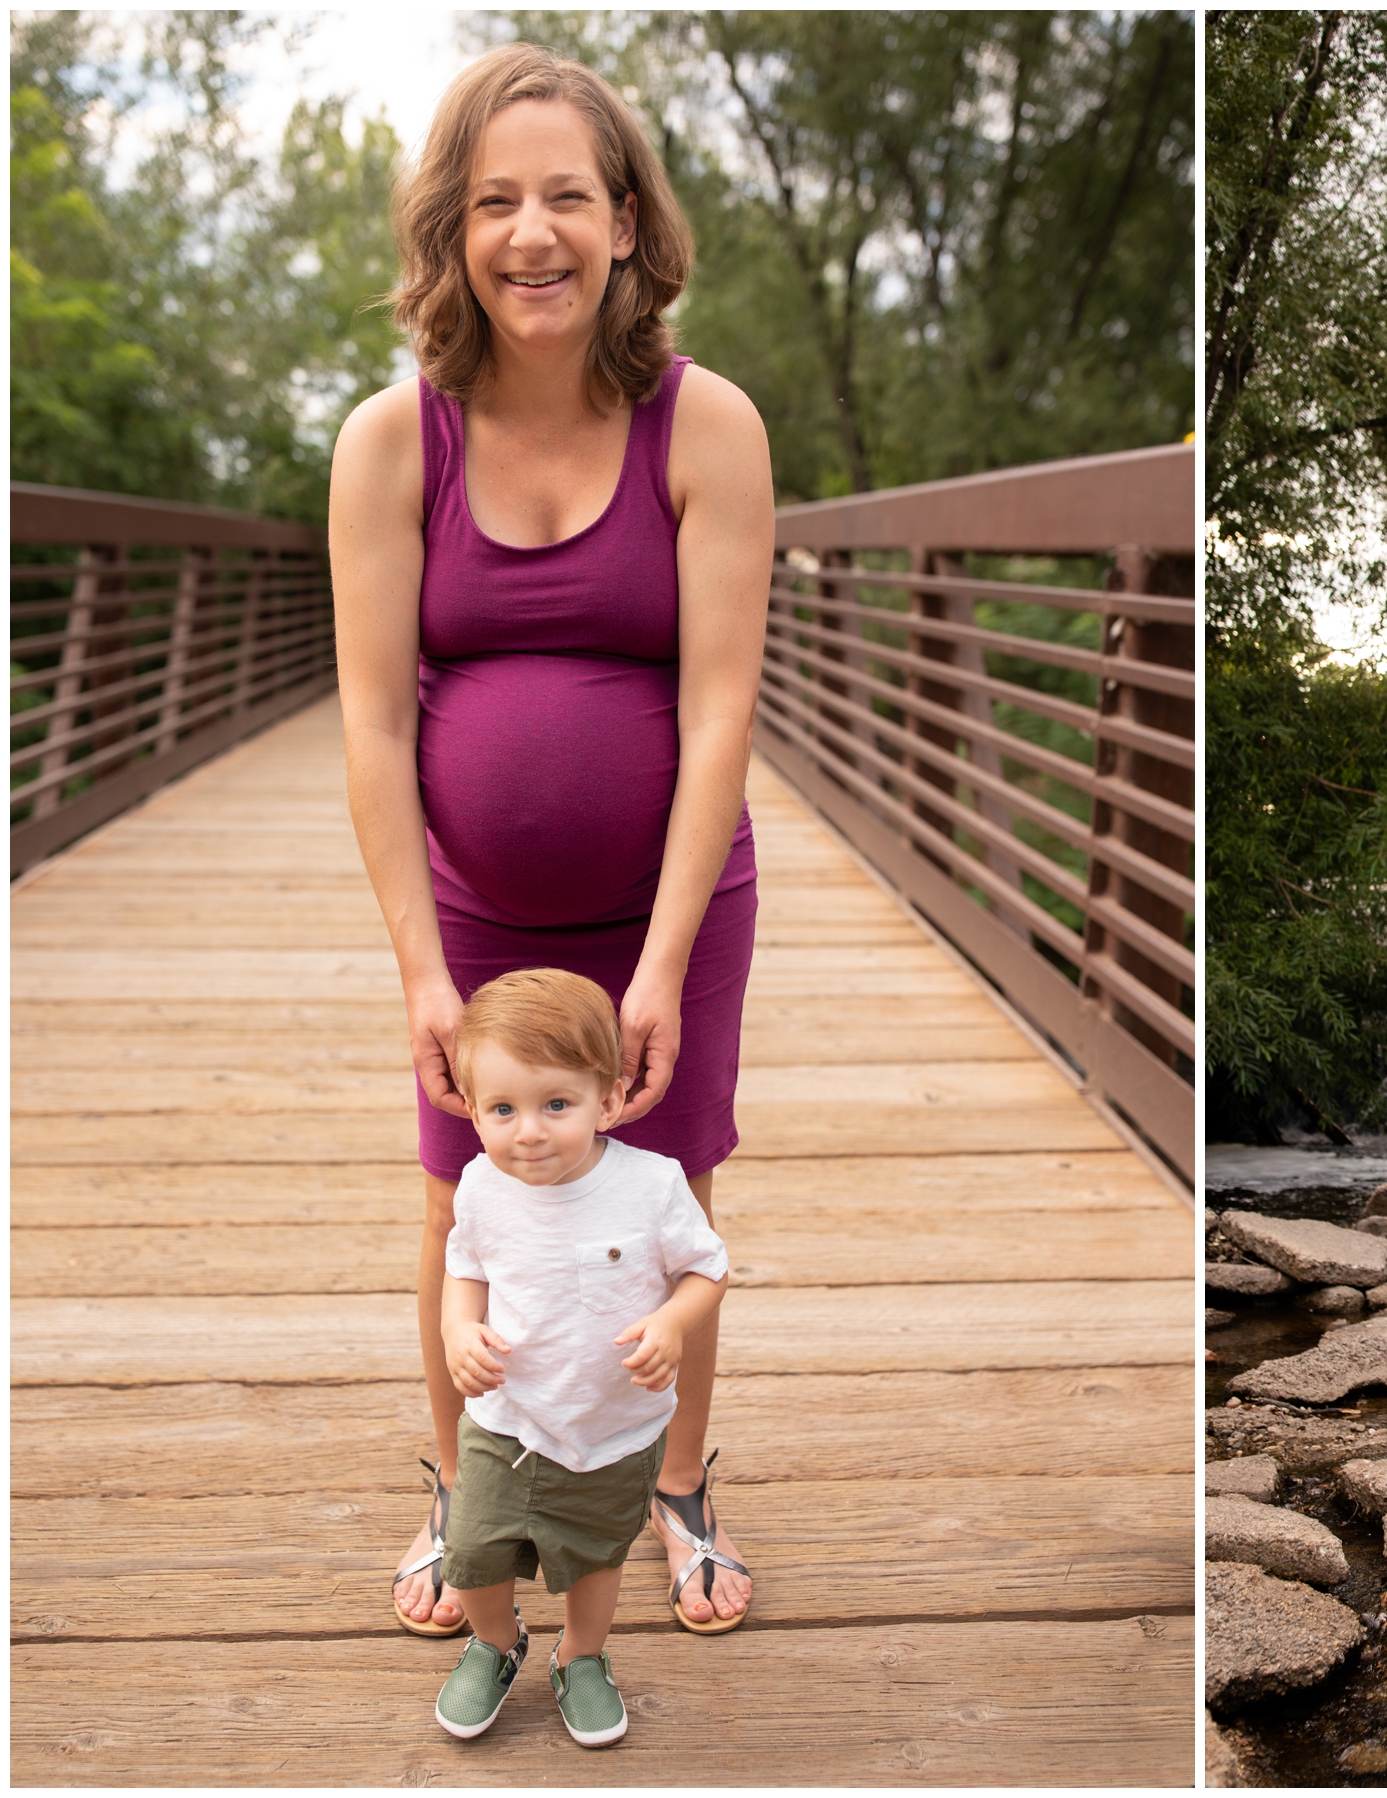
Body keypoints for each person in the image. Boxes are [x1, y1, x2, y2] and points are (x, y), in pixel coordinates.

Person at [330, 41, 772, 1637]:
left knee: (669, 1201)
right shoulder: (393, 443)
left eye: (570, 197)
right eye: (498, 200)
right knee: (464, 1206)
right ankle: (469, 1503)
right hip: (476, 919)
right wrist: (419, 973)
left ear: (631, 223)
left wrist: (658, 963)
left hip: (670, 908)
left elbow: (721, 711)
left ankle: (674, 1488)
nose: (536, 233)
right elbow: (376, 722)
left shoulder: (705, 424)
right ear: (454, 231)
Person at [430, 968, 729, 1744]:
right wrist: (459, 1332)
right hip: (506, 1419)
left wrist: (671, 1322)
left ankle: (583, 1656)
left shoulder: (651, 1185)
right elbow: (464, 1270)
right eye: (501, 1109)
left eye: (555, 1104)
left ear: (609, 1097)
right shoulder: (480, 1186)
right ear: (473, 1109)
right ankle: (495, 1643)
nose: (527, 1130)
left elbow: (708, 1267)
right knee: (474, 1551)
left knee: (596, 1559)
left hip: (612, 1426)